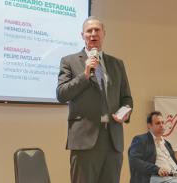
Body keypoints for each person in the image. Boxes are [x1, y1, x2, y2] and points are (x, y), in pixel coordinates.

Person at [56, 16, 133, 183]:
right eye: (89, 31)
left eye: (97, 30)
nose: (93, 34)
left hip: (113, 141)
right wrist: (85, 75)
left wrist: (124, 112)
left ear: (104, 34)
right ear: (82, 35)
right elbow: (61, 94)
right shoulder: (69, 61)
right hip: (85, 140)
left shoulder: (117, 64)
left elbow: (126, 98)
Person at [128, 111, 177, 183]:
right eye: (158, 123)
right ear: (149, 125)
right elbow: (134, 161)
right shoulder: (141, 139)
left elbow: (175, 163)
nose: (161, 125)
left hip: (173, 174)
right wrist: (157, 169)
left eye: (163, 122)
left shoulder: (167, 143)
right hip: (153, 176)